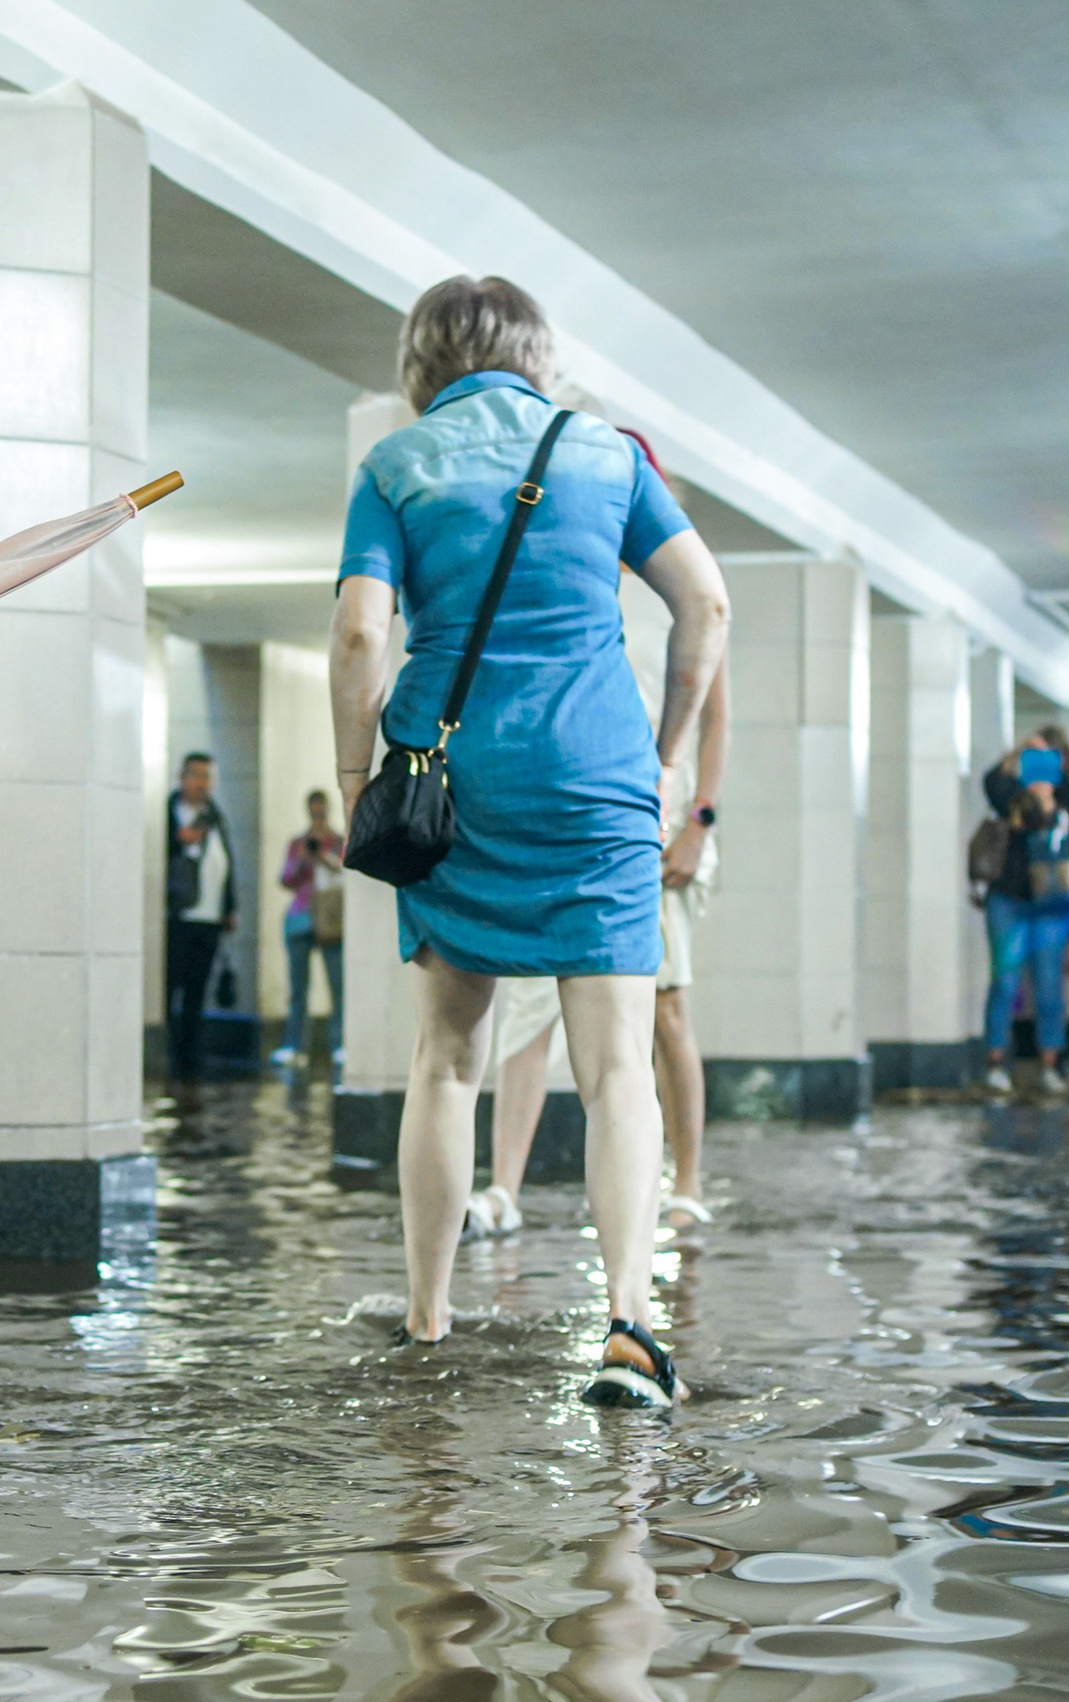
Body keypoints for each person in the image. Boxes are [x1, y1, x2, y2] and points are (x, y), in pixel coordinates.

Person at [329, 274, 730, 1408]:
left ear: (421, 365)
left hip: (450, 782)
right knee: (616, 1070)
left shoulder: (394, 467)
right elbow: (705, 604)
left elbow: (360, 634)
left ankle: (426, 1315)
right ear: (539, 356)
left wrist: (356, 778)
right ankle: (629, 1327)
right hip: (596, 776)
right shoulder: (612, 456)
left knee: (447, 1060)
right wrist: (663, 754)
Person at [470, 652, 729, 1239]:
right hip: (563, 818)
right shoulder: (572, 596)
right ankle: (504, 1188)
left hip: (656, 825)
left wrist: (700, 820)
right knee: (530, 1001)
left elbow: (716, 718)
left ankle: (687, 1184)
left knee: (665, 1007)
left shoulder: (692, 602)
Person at [975, 726, 1069, 1095]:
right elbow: (993, 785)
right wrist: (1018, 758)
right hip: (1008, 898)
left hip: (1051, 905)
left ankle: (1051, 1064)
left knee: (1049, 984)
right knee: (1005, 983)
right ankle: (996, 1064)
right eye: (1035, 758)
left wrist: (1048, 801)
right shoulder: (1009, 791)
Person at [164, 752, 238, 1085]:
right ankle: (171, 1054)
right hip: (179, 916)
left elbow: (227, 862)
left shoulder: (214, 816)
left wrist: (229, 907)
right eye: (196, 775)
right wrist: (178, 841)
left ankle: (191, 1057)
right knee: (171, 987)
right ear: (182, 777)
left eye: (208, 776)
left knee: (198, 989)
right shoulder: (169, 813)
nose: (202, 783)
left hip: (210, 918)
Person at [272, 791, 347, 1070]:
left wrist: (325, 857)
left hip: (331, 918)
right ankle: (294, 1046)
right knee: (298, 989)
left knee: (337, 987)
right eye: (314, 812)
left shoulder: (339, 842)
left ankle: (339, 1044)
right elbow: (286, 879)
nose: (318, 816)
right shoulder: (298, 844)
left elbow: (345, 874)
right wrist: (303, 858)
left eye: (321, 811)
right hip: (301, 917)